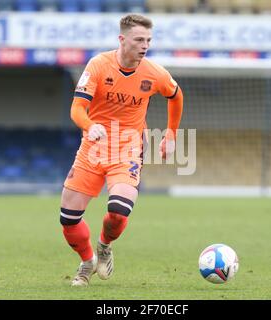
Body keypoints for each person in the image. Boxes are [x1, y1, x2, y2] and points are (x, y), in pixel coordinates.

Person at [60, 13, 184, 287]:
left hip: (128, 148)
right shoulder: (98, 65)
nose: (145, 45)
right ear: (122, 39)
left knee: (118, 211)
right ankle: (87, 261)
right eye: (139, 39)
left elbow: (176, 95)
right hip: (92, 149)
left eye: (148, 40)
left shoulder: (154, 73)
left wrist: (171, 134)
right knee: (68, 218)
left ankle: (104, 245)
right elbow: (77, 109)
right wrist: (90, 125)